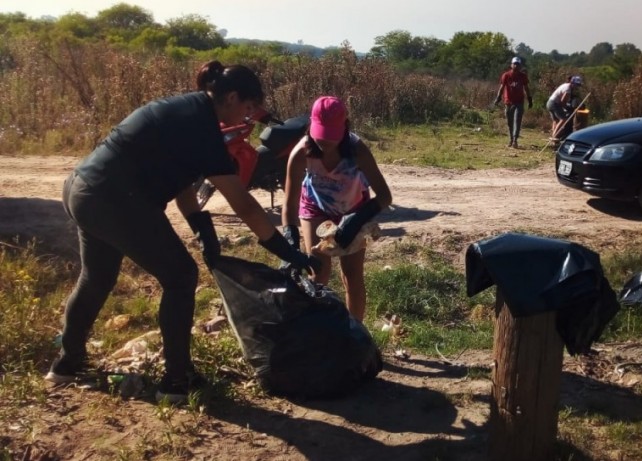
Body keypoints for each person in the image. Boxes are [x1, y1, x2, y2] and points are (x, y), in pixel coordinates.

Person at [46, 60, 321, 404]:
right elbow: (246, 206)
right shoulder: (204, 128)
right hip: (115, 199)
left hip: (82, 190)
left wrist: (203, 228)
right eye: (248, 107)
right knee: (180, 276)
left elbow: (181, 183)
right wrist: (288, 252)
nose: (249, 117)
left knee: (97, 277)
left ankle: (66, 365)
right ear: (232, 97)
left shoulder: (187, 110)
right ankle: (176, 381)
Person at [282, 96, 392, 323]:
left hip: (353, 209)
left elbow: (384, 196)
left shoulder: (357, 150)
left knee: (352, 275)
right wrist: (289, 241)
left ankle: (354, 334)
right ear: (311, 126)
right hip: (315, 208)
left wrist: (356, 219)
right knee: (319, 271)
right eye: (321, 136)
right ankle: (317, 330)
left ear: (345, 126)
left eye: (332, 136)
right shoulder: (302, 152)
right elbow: (290, 203)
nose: (326, 143)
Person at [494, 56, 533, 149]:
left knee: (517, 121)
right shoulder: (506, 75)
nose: (516, 66)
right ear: (511, 65)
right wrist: (498, 98)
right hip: (508, 102)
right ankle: (511, 139)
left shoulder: (523, 76)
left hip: (519, 102)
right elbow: (501, 87)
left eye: (518, 64)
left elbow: (526, 88)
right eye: (514, 64)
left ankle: (515, 140)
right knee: (509, 122)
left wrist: (530, 99)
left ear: (520, 66)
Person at [546, 75, 584, 141]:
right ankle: (555, 136)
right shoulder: (568, 89)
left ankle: (554, 136)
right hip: (554, 104)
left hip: (549, 102)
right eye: (576, 85)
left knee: (556, 120)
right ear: (572, 83)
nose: (577, 87)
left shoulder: (565, 85)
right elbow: (562, 101)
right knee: (563, 119)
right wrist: (567, 108)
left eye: (578, 85)